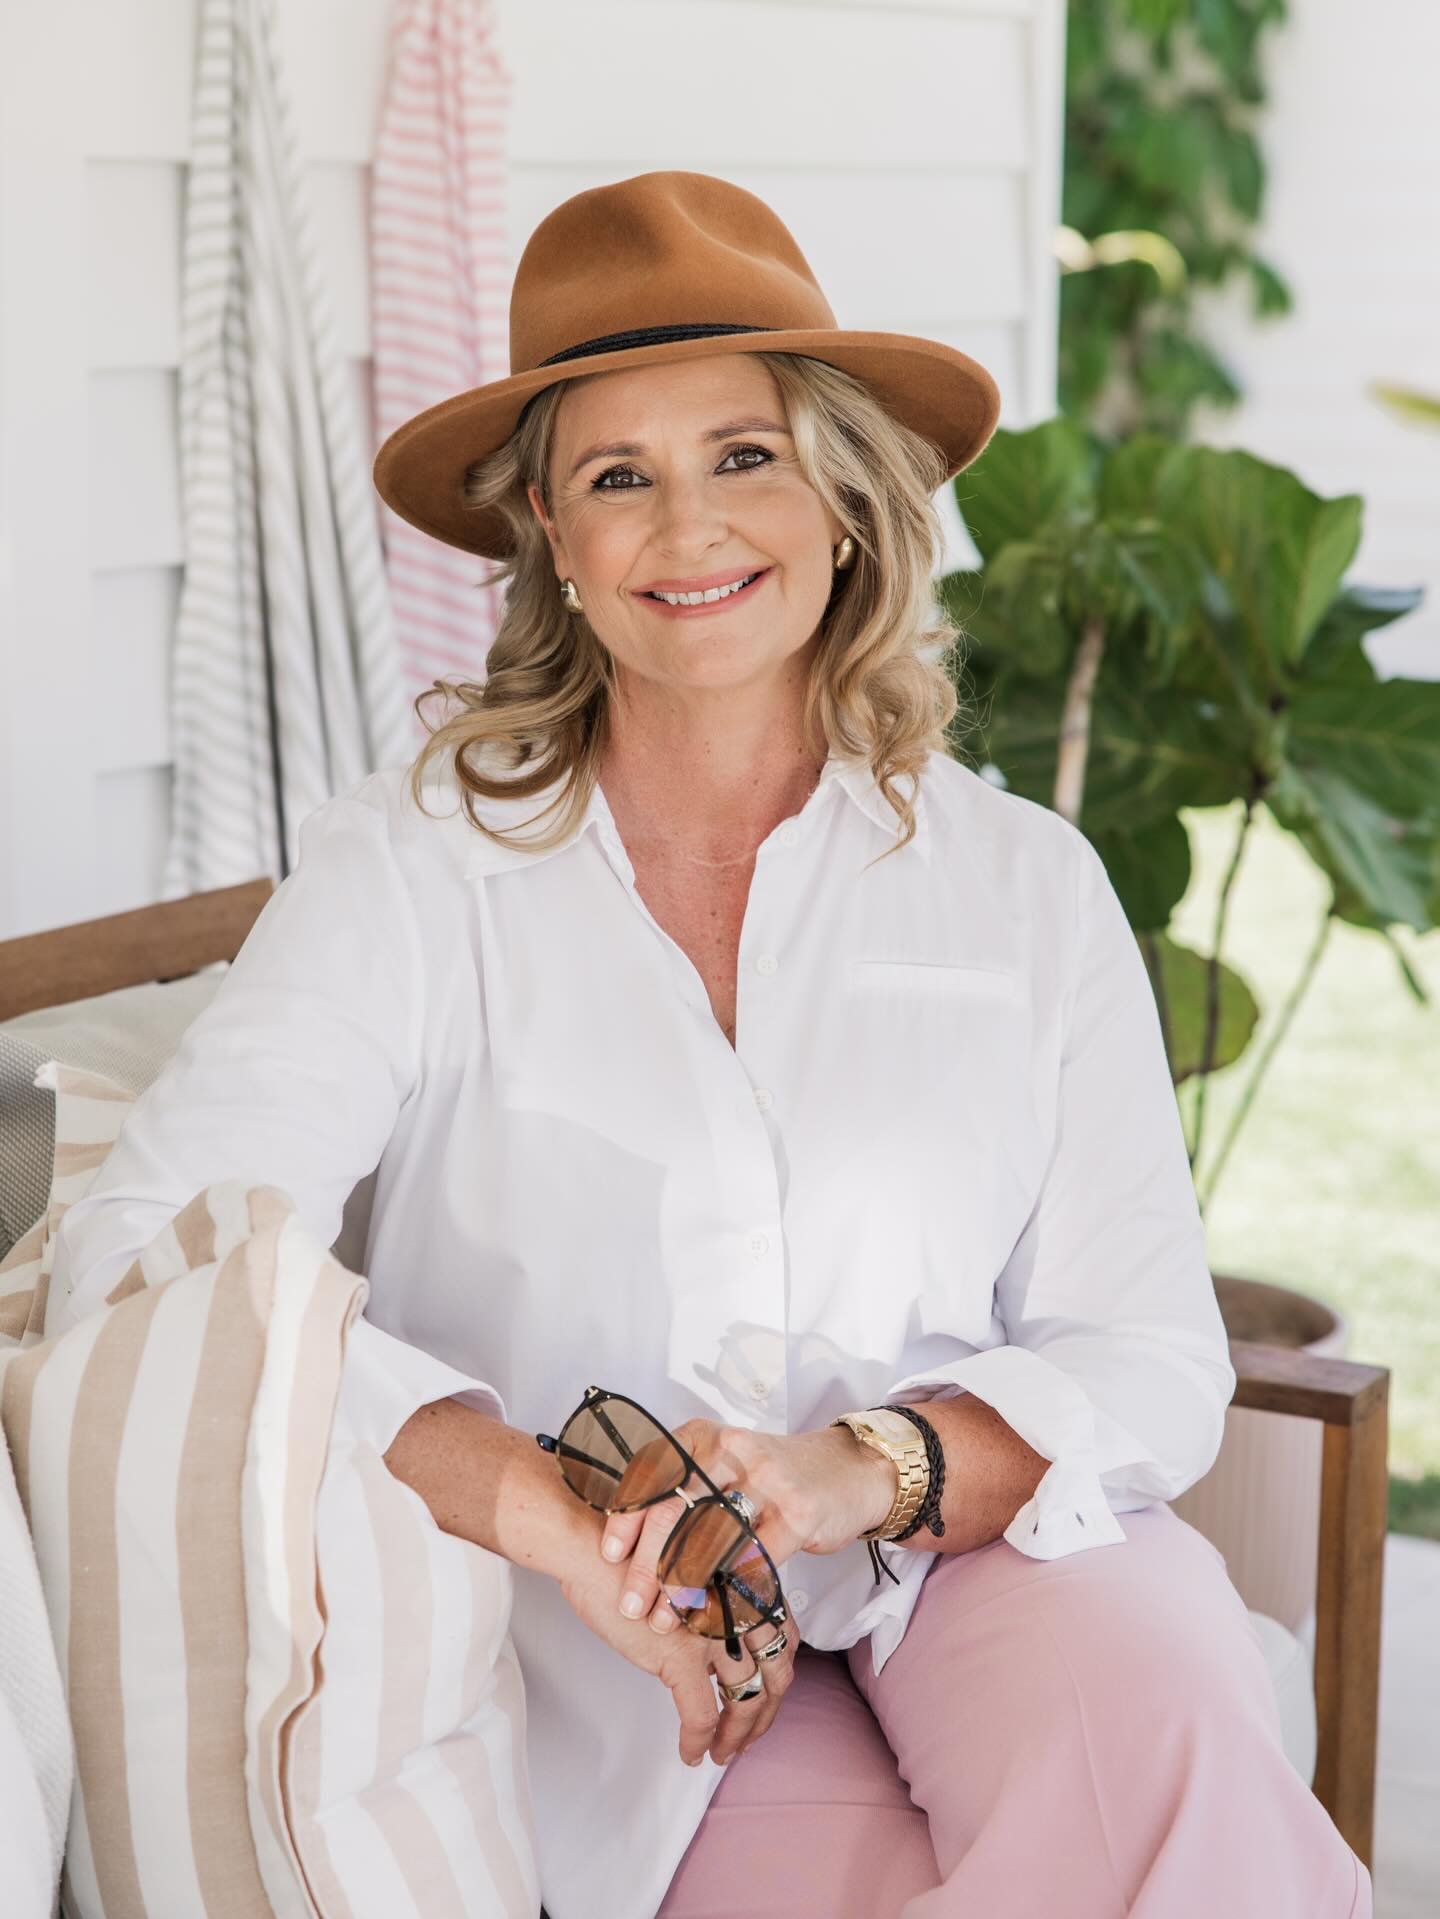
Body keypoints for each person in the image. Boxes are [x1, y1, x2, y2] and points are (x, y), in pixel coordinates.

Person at [51, 171, 1370, 1919]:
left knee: (1180, 1749)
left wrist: (869, 1470)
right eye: (619, 477)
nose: (690, 527)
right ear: (554, 543)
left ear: (838, 500)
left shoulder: (1021, 885)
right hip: (629, 1637)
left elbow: (1146, 1352)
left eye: (743, 455)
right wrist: (544, 1511)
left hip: (965, 1556)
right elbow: (158, 1260)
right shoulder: (418, 865)